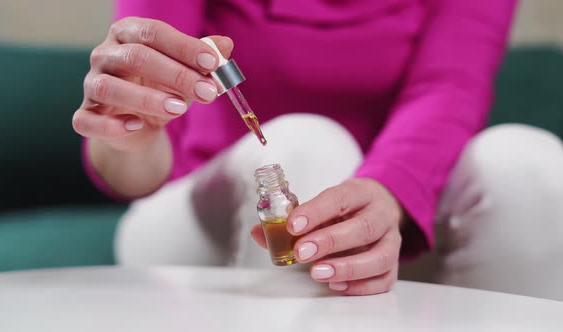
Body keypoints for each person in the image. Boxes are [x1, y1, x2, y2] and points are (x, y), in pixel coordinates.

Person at [72, 0, 563, 300]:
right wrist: (129, 127)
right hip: (201, 220)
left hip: (392, 222)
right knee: (304, 149)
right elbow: (132, 173)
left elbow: (449, 87)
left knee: (529, 165)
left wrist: (386, 193)